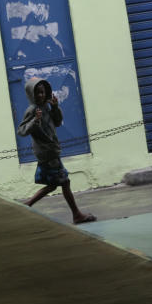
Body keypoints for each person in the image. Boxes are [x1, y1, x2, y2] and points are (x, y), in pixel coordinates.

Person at [18, 78, 95, 225]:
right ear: (31, 94)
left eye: (43, 92)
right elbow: (21, 130)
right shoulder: (32, 110)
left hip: (52, 150)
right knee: (65, 182)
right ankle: (77, 215)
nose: (41, 95)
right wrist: (35, 120)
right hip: (47, 153)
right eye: (37, 93)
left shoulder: (47, 106)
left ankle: (28, 204)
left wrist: (55, 108)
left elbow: (58, 122)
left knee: (53, 185)